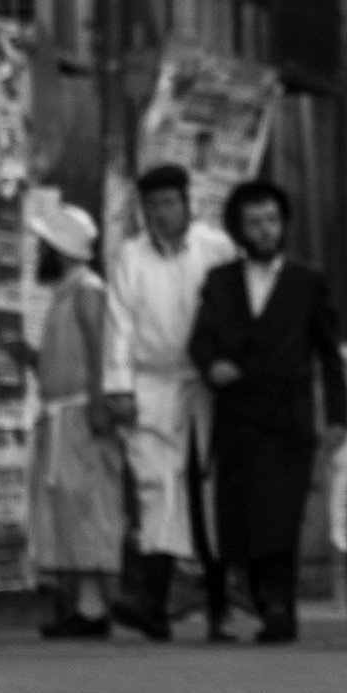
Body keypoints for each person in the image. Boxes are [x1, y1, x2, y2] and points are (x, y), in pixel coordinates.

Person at [184, 180, 347, 645]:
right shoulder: (220, 282)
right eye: (254, 222)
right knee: (242, 515)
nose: (264, 230)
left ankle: (280, 607)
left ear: (284, 225)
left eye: (272, 220)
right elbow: (200, 340)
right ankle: (259, 597)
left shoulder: (307, 282)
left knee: (280, 513)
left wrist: (337, 417)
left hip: (287, 417)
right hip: (237, 414)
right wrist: (211, 366)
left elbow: (329, 354)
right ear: (239, 229)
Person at [101, 161, 233, 642]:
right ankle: (152, 604)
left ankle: (221, 607)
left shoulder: (216, 248)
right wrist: (119, 386)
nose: (161, 213)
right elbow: (119, 324)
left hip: (208, 383)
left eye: (169, 202)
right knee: (157, 486)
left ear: (186, 203)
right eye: (152, 205)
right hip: (152, 384)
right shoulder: (130, 257)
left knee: (211, 489)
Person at [19, 198, 122, 640]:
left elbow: (100, 351)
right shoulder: (67, 293)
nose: (39, 254)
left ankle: (93, 608)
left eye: (45, 246)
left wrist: (99, 402)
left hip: (81, 416)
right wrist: (32, 359)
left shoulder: (87, 290)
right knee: (69, 511)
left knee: (87, 509)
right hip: (63, 417)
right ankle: (84, 605)